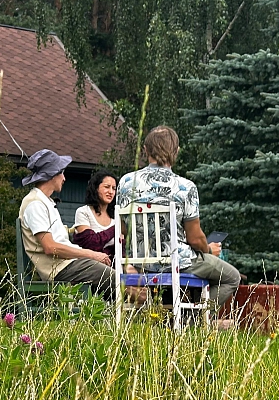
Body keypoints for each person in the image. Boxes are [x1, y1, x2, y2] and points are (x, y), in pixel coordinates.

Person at [116, 126, 241, 318]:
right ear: (176, 151)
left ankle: (168, 319)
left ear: (146, 150)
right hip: (177, 262)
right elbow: (195, 238)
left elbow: (123, 229)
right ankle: (190, 321)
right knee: (232, 277)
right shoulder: (185, 187)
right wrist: (208, 250)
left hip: (141, 263)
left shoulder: (125, 182)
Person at [18, 149, 116, 298]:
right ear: (52, 174)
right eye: (61, 173)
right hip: (59, 269)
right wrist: (91, 254)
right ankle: (145, 306)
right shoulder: (35, 204)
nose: (64, 178)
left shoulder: (45, 202)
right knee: (116, 279)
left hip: (68, 264)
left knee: (120, 277)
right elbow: (50, 247)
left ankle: (136, 306)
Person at [72, 170, 117, 259]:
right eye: (107, 187)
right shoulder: (83, 212)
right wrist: (116, 228)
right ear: (96, 188)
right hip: (88, 263)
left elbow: (121, 251)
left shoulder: (116, 217)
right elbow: (91, 244)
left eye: (114, 188)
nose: (111, 192)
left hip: (112, 264)